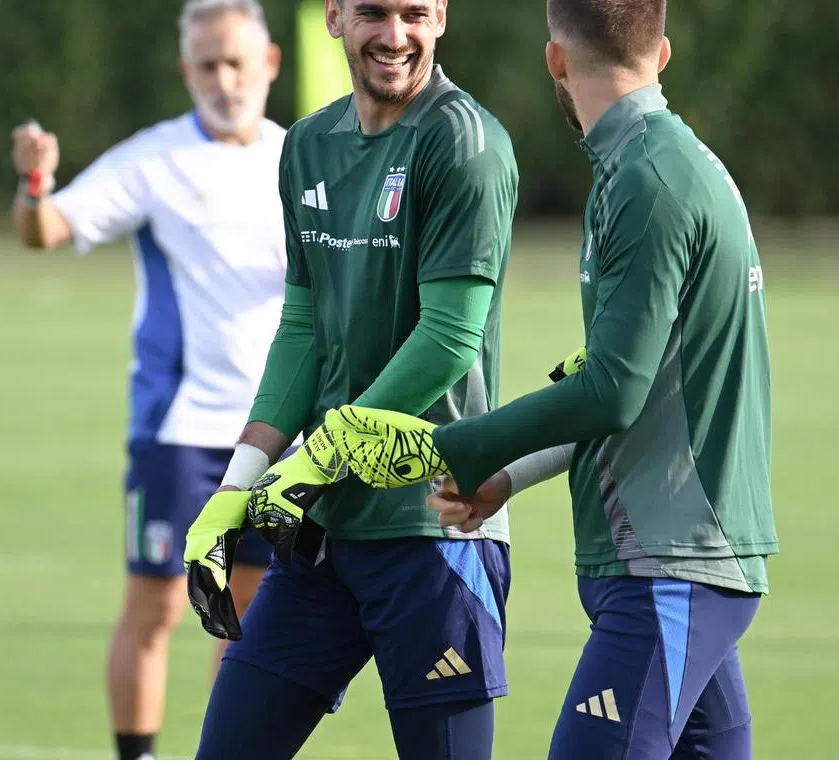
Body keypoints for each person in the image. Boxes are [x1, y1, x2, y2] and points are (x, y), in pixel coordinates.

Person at [321, 0, 779, 758]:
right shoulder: (654, 161)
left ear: (555, 61)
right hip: (683, 563)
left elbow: (613, 390)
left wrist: (458, 448)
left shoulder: (649, 180)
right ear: (661, 53)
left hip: (671, 565)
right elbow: (621, 377)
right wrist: (510, 471)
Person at [180, 0, 519, 758]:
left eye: (412, 14)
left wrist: (317, 457)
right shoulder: (306, 145)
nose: (394, 36)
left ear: (441, 16)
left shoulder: (464, 142)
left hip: (434, 530)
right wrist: (237, 486)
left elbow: (449, 337)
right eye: (372, 12)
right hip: (325, 536)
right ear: (334, 16)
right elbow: (303, 333)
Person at [9, 2, 285, 759]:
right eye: (207, 65)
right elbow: (48, 230)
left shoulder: (303, 160)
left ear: (270, 64)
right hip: (181, 431)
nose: (223, 80)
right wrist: (35, 185)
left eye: (236, 62)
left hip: (277, 435)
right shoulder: (153, 160)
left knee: (251, 613)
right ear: (184, 72)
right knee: (159, 606)